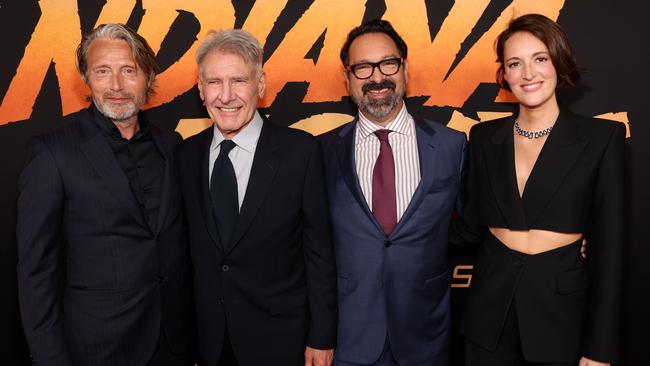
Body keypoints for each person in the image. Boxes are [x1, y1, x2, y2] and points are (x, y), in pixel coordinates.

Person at [17, 23, 196, 365]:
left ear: (148, 77)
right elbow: (36, 273)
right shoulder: (54, 154)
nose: (116, 86)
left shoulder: (171, 146)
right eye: (102, 71)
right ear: (86, 78)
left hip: (174, 345)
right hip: (98, 349)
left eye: (128, 71)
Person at [451, 14, 624, 366]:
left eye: (540, 59)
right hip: (488, 315)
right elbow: (469, 226)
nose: (528, 74)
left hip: (561, 315)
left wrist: (600, 348)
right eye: (515, 63)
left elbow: (611, 252)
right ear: (504, 75)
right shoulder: (483, 138)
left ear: (558, 62)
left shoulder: (601, 139)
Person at [176, 29, 337, 366]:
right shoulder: (185, 156)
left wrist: (322, 336)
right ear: (201, 90)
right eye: (214, 82)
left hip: (282, 340)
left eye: (238, 80)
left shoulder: (301, 152)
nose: (226, 95)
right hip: (209, 342)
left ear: (260, 85)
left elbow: (319, 252)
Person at [319, 20, 467, 366]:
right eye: (362, 67)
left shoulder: (451, 146)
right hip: (348, 340)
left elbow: (478, 225)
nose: (376, 77)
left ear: (404, 69)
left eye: (388, 63)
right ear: (347, 78)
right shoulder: (322, 152)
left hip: (426, 336)